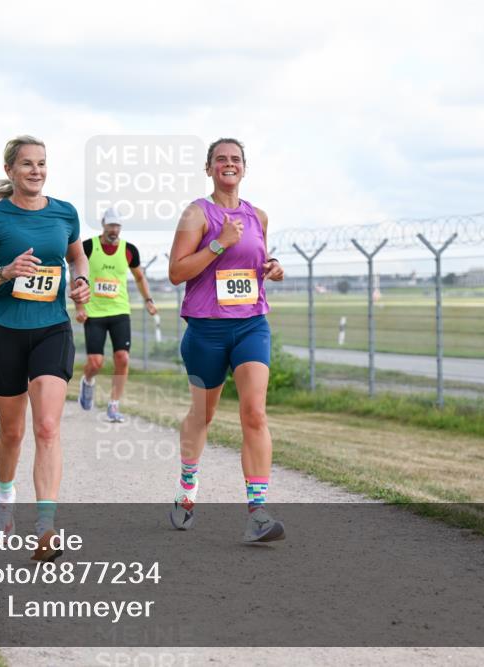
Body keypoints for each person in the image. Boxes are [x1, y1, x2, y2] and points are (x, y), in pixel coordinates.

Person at [0, 135, 90, 562]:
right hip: (5, 331)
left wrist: (82, 280)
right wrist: (6, 272)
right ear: (10, 171)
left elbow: (78, 257)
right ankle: (4, 496)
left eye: (41, 164)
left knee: (48, 427)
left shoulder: (65, 212)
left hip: (52, 329)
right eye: (27, 164)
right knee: (13, 432)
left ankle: (46, 525)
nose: (36, 171)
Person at [167, 138, 286, 543]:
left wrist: (270, 268)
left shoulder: (259, 216)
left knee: (254, 413)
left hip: (251, 324)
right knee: (203, 415)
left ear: (244, 168)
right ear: (209, 168)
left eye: (235, 159)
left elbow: (252, 264)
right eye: (221, 159)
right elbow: (177, 273)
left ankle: (258, 512)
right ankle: (187, 491)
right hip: (206, 329)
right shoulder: (196, 214)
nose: (229, 165)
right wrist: (220, 243)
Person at [75, 207, 158, 422]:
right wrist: (79, 306)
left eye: (117, 226)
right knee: (95, 362)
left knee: (122, 358)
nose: (114, 230)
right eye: (111, 225)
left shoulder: (129, 250)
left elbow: (139, 277)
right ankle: (88, 382)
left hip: (120, 310)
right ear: (103, 224)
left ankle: (114, 405)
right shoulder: (88, 247)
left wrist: (148, 300)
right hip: (94, 312)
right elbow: (76, 274)